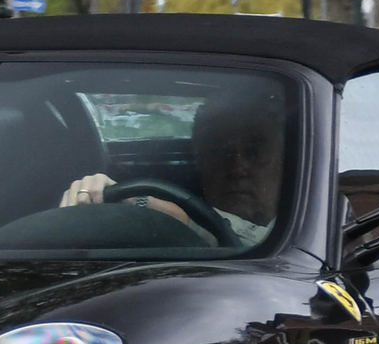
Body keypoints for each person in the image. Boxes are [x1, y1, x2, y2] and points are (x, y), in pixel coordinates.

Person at [59, 90, 283, 246]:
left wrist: (148, 206)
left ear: (285, 160)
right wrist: (95, 197)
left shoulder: (310, 224)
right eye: (219, 152)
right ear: (200, 161)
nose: (237, 166)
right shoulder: (152, 242)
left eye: (255, 152)